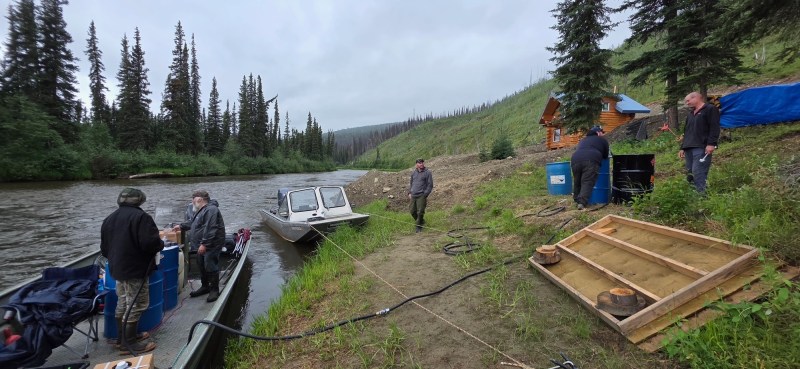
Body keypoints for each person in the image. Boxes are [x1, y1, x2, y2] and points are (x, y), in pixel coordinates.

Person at [100, 188, 163, 354]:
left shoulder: (109, 219)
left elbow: (104, 249)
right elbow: (150, 244)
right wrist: (160, 244)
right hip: (135, 270)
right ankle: (130, 344)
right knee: (137, 303)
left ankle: (121, 339)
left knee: (123, 302)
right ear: (139, 200)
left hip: (117, 269)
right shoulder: (141, 217)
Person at [175, 189, 226, 302]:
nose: (192, 201)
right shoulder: (200, 210)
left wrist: (205, 244)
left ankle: (214, 290)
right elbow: (194, 223)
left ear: (199, 199)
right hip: (201, 244)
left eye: (193, 199)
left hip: (211, 244)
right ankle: (205, 286)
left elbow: (211, 228)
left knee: (210, 265)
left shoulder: (211, 209)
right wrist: (181, 226)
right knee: (201, 264)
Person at [679, 91, 720, 194]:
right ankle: (693, 196)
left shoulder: (710, 109)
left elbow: (714, 127)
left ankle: (702, 197)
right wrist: (682, 147)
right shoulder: (690, 114)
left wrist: (711, 144)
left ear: (696, 98)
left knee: (698, 172)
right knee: (690, 174)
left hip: (701, 147)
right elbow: (686, 131)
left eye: (688, 101)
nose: (687, 103)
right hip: (689, 147)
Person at [571, 125, 610, 210]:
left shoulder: (583, 140)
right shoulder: (602, 140)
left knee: (577, 181)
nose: (603, 134)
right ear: (597, 133)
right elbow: (605, 155)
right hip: (591, 160)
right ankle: (581, 203)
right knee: (587, 181)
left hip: (575, 159)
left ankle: (576, 199)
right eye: (601, 132)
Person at [408, 158, 433, 233]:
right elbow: (411, 183)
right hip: (413, 195)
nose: (421, 164)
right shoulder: (413, 173)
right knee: (412, 211)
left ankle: (418, 226)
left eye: (422, 162)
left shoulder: (427, 172)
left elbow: (430, 185)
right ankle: (421, 221)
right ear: (416, 164)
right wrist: (409, 192)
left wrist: (425, 194)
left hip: (421, 195)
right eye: (419, 163)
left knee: (420, 211)